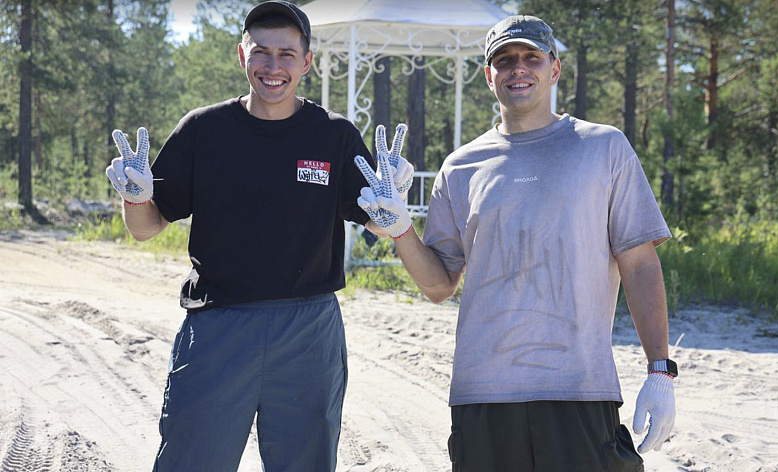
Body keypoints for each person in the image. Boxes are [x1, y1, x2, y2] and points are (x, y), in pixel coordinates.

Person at [357, 15, 677, 472]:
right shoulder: (460, 167)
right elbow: (439, 285)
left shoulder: (604, 148)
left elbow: (640, 264)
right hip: (483, 396)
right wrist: (401, 229)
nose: (518, 68)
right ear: (489, 76)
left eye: (531, 57)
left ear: (554, 69)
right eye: (504, 60)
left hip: (579, 390)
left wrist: (660, 370)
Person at [104, 2, 411, 470]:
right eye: (261, 52)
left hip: (309, 330)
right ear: (241, 55)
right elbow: (147, 228)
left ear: (307, 62)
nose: (273, 66)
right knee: (192, 460)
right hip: (219, 327)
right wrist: (135, 198)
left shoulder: (334, 135)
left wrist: (391, 210)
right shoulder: (204, 130)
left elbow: (373, 219)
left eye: (287, 54)